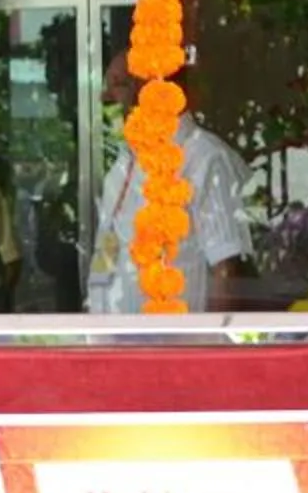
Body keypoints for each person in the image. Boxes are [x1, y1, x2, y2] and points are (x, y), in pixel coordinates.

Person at [88, 43, 251, 314]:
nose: (105, 97)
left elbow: (225, 267)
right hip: (113, 336)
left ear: (149, 89)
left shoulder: (203, 157)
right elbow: (107, 249)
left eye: (117, 84)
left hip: (180, 336)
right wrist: (93, 316)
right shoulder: (122, 164)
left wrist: (215, 338)